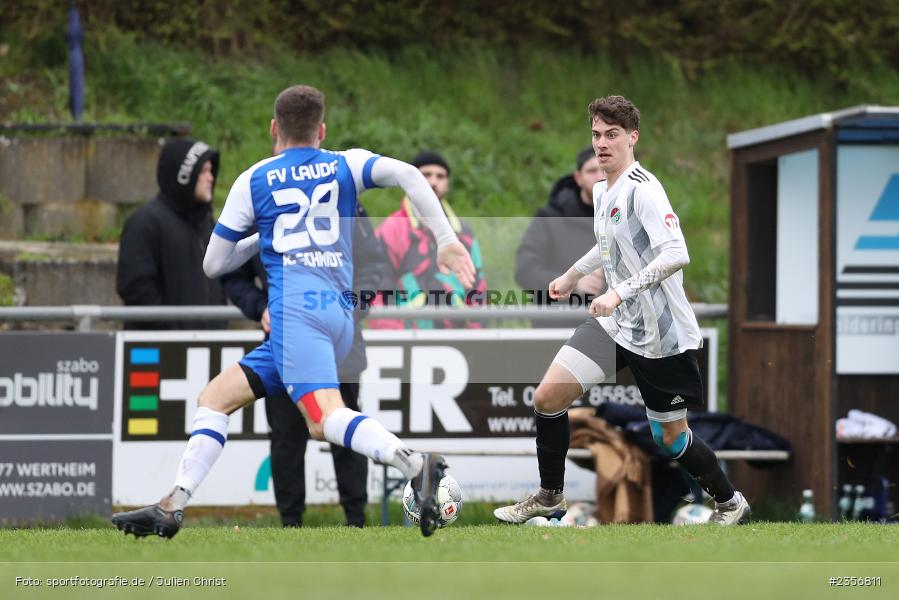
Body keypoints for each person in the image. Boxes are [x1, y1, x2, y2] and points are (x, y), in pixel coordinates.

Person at [112, 84, 476, 538]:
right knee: (215, 398)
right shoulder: (346, 164)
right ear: (321, 130)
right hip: (336, 315)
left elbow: (213, 265)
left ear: (273, 129)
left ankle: (416, 464)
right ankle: (172, 505)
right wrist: (446, 239)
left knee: (324, 422)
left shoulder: (254, 179)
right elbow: (408, 174)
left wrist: (258, 237)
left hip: (294, 313)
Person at [493, 95, 751, 526]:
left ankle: (729, 502)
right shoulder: (601, 189)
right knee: (548, 397)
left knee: (671, 440)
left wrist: (618, 292)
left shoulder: (644, 189)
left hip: (660, 335)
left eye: (612, 134)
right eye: (596, 134)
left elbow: (677, 253)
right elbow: (608, 244)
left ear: (633, 137)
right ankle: (550, 496)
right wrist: (571, 275)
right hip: (615, 325)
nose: (602, 143)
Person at [220, 201, 391, 528]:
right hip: (284, 344)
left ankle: (356, 522)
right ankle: (290, 525)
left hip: (339, 344)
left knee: (346, 431)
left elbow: (372, 263)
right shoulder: (260, 200)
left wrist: (348, 309)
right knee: (286, 437)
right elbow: (230, 271)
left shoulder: (343, 197)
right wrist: (260, 307)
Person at [116, 138, 227, 329]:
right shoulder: (144, 222)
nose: (210, 178)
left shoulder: (207, 223)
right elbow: (135, 287)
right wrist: (172, 332)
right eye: (203, 171)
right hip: (163, 343)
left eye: (211, 171)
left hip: (207, 342)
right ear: (184, 176)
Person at [368, 151, 487, 329]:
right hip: (407, 336)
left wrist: (476, 335)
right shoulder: (392, 228)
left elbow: (478, 288)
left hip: (458, 337)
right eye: (426, 175)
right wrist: (393, 337)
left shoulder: (463, 232)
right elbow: (377, 287)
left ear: (447, 184)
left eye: (440, 176)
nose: (433, 181)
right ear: (411, 181)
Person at [515, 146, 606, 326]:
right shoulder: (549, 219)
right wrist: (574, 283)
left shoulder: (627, 218)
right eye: (592, 171)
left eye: (604, 170)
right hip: (556, 328)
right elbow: (525, 271)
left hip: (612, 329)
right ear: (578, 178)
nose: (599, 177)